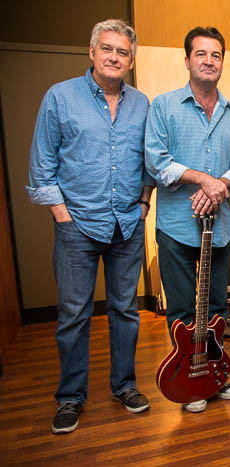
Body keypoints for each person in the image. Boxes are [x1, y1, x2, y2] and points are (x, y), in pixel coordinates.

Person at [26, 19, 152, 434]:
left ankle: (124, 385)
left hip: (127, 226)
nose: (115, 57)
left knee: (125, 312)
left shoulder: (142, 104)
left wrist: (144, 204)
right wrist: (62, 217)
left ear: (131, 60)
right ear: (92, 52)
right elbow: (42, 166)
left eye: (123, 52)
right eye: (108, 49)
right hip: (76, 225)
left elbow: (150, 161)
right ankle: (70, 398)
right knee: (74, 316)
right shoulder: (60, 98)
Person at [145, 26, 230, 413]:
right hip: (176, 226)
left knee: (217, 308)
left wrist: (220, 184)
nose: (209, 61)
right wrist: (203, 179)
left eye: (216, 55)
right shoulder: (164, 106)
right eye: (201, 54)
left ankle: (215, 375)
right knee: (182, 312)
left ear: (222, 61)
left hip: (219, 229)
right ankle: (188, 377)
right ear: (187, 59)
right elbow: (157, 162)